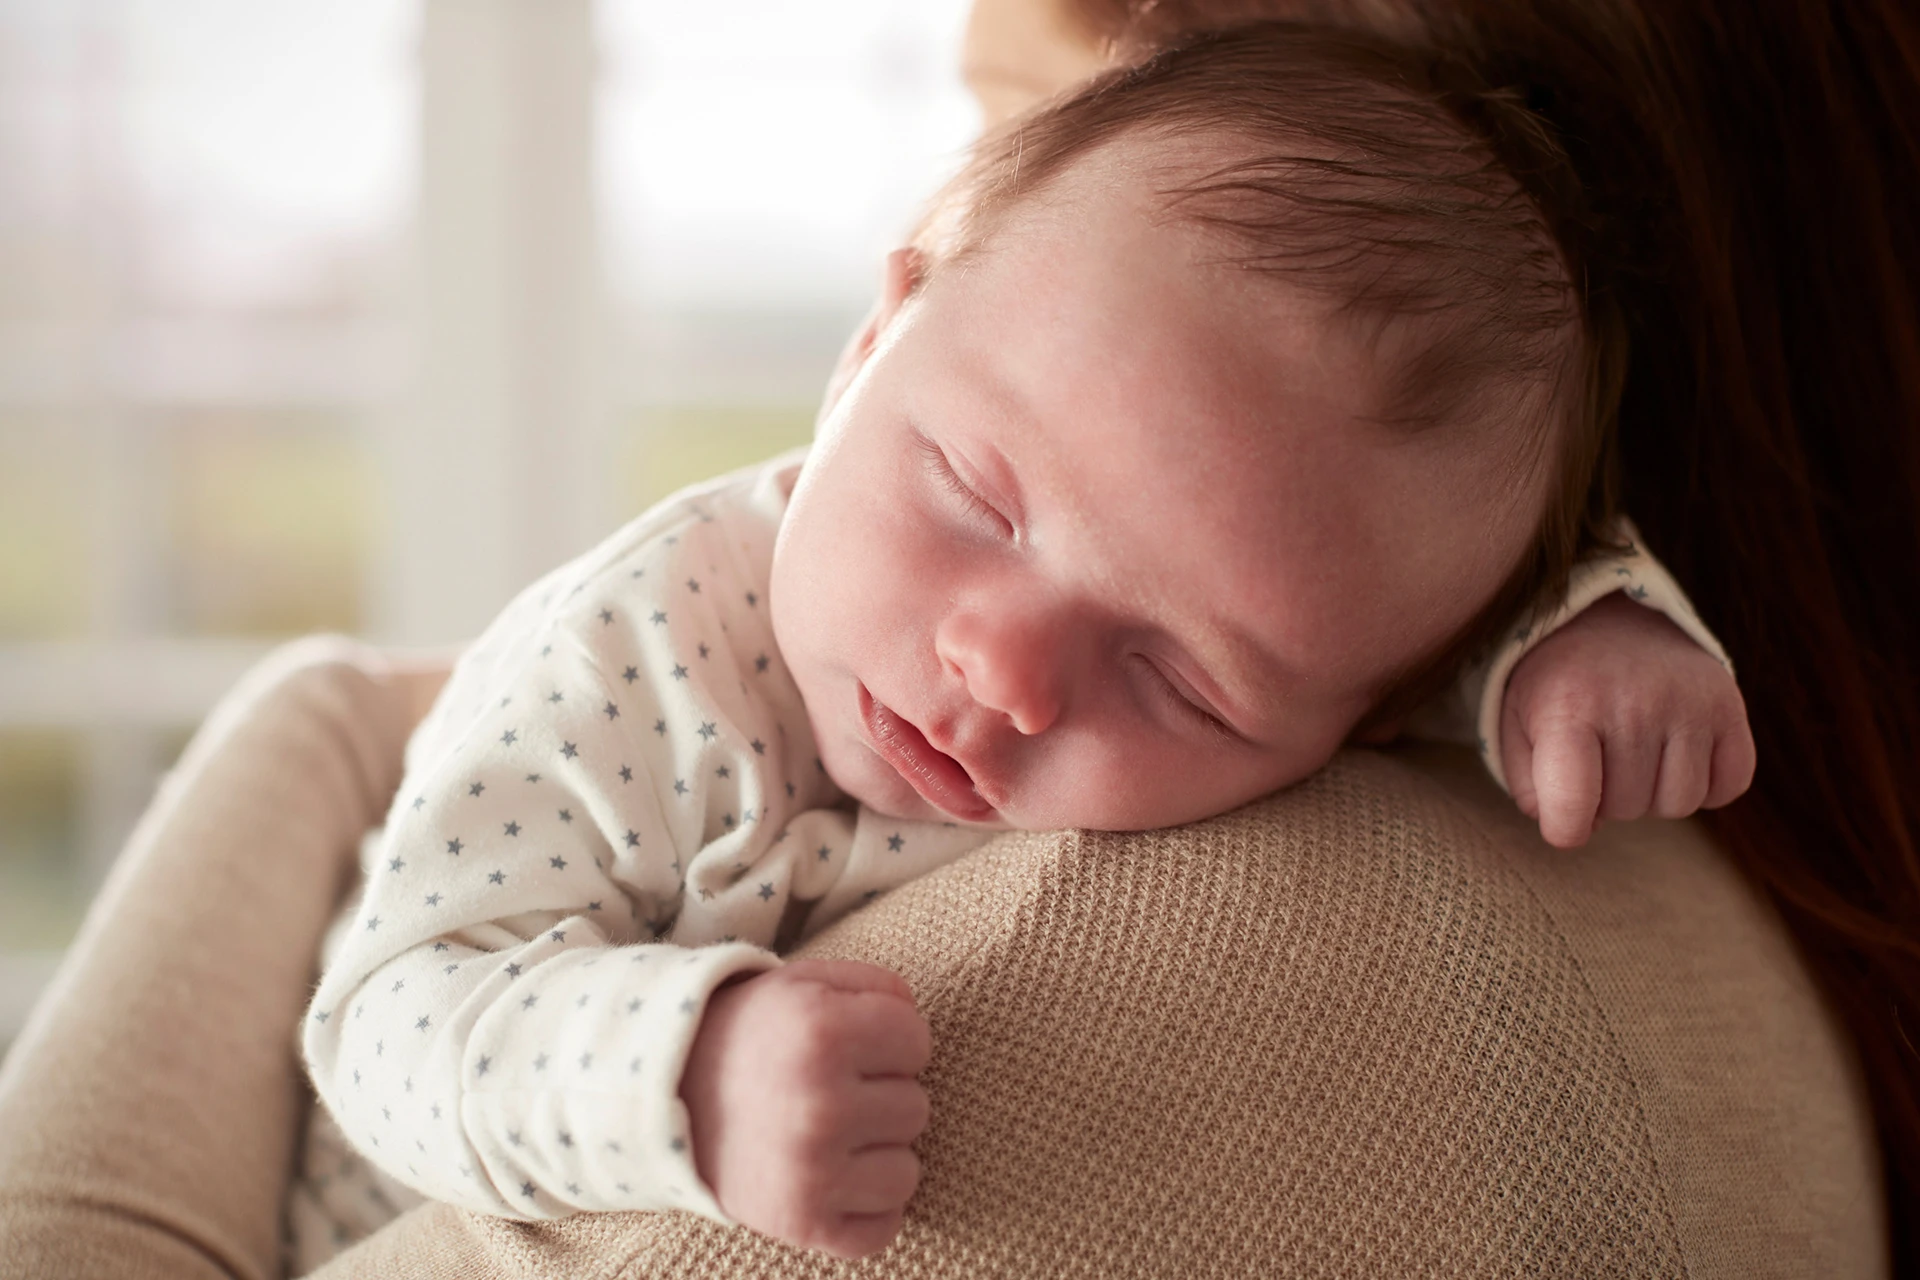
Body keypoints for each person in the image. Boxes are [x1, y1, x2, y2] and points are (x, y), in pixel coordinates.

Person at [290, 26, 1754, 1269]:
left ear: (1351, 729)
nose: (1007, 670)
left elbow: (1423, 654)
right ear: (877, 342)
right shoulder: (635, 657)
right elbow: (386, 1025)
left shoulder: (1343, 657)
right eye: (978, 497)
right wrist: (682, 1074)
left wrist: (1582, 637)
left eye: (1174, 679)